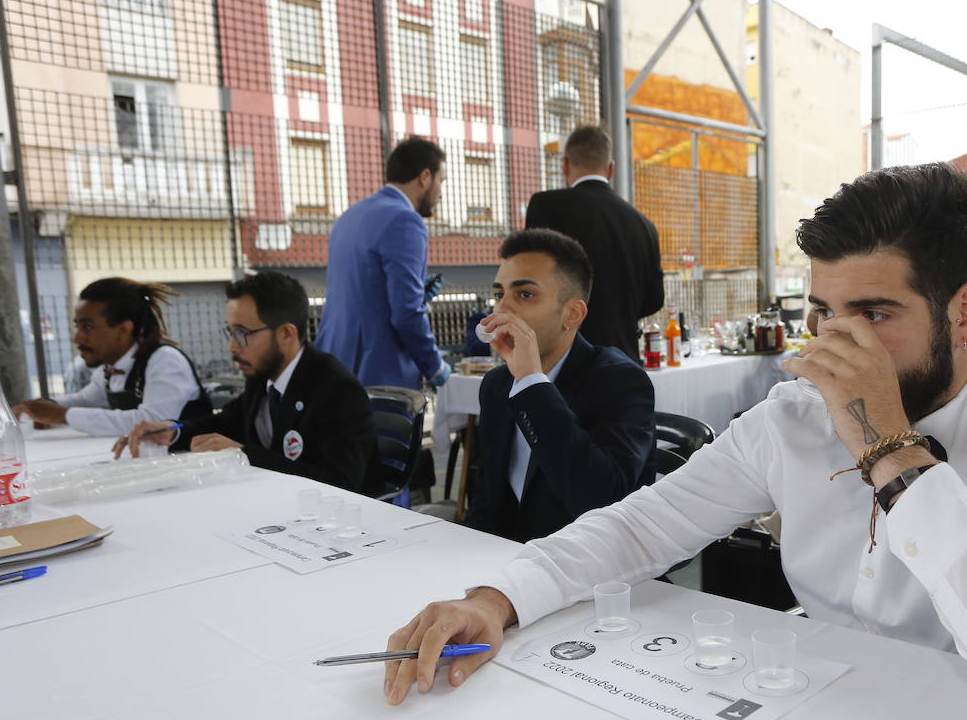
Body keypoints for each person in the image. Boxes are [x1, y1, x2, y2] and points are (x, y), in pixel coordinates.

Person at [380, 163, 967, 720]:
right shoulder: (793, 416)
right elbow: (637, 529)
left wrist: (895, 457)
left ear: (965, 314)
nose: (837, 345)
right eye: (823, 314)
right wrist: (496, 598)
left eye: (876, 314)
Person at [465, 229, 656, 543]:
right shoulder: (497, 385)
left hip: (592, 567)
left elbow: (600, 499)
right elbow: (487, 501)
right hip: (508, 568)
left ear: (573, 314)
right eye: (500, 294)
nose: (502, 310)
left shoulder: (620, 381)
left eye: (524, 294)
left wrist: (531, 384)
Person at [122, 272, 379, 496]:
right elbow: (225, 422)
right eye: (230, 332)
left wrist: (244, 455)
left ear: (286, 334)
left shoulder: (337, 390)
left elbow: (341, 484)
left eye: (242, 333)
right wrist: (173, 430)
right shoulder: (263, 378)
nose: (232, 346)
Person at [315, 136, 451, 390]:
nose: (441, 193)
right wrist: (435, 367)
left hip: (333, 367)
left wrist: (416, 293)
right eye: (441, 181)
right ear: (424, 177)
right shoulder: (405, 221)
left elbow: (362, 292)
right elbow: (406, 314)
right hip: (379, 377)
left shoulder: (349, 216)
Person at [526, 124, 664, 363]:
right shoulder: (644, 225)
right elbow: (654, 299)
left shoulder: (545, 207)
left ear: (565, 165)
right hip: (624, 362)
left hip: (564, 363)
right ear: (611, 169)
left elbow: (530, 283)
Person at [13, 278, 211, 436]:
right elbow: (87, 400)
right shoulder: (109, 368)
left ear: (123, 330)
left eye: (87, 327)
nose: (77, 338)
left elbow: (153, 421)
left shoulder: (165, 361)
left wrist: (64, 415)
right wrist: (42, 408)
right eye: (77, 327)